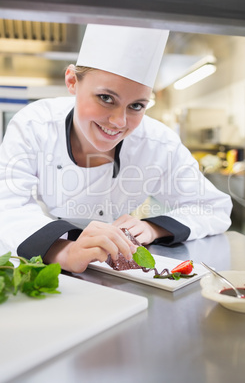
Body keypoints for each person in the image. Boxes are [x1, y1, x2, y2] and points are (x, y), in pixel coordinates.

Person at [0, 24, 232, 273]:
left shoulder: (158, 144)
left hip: (115, 265)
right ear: (72, 82)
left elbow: (213, 207)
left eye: (136, 106)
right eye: (106, 98)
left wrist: (154, 227)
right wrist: (64, 251)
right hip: (45, 252)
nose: (119, 123)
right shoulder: (34, 125)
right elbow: (7, 206)